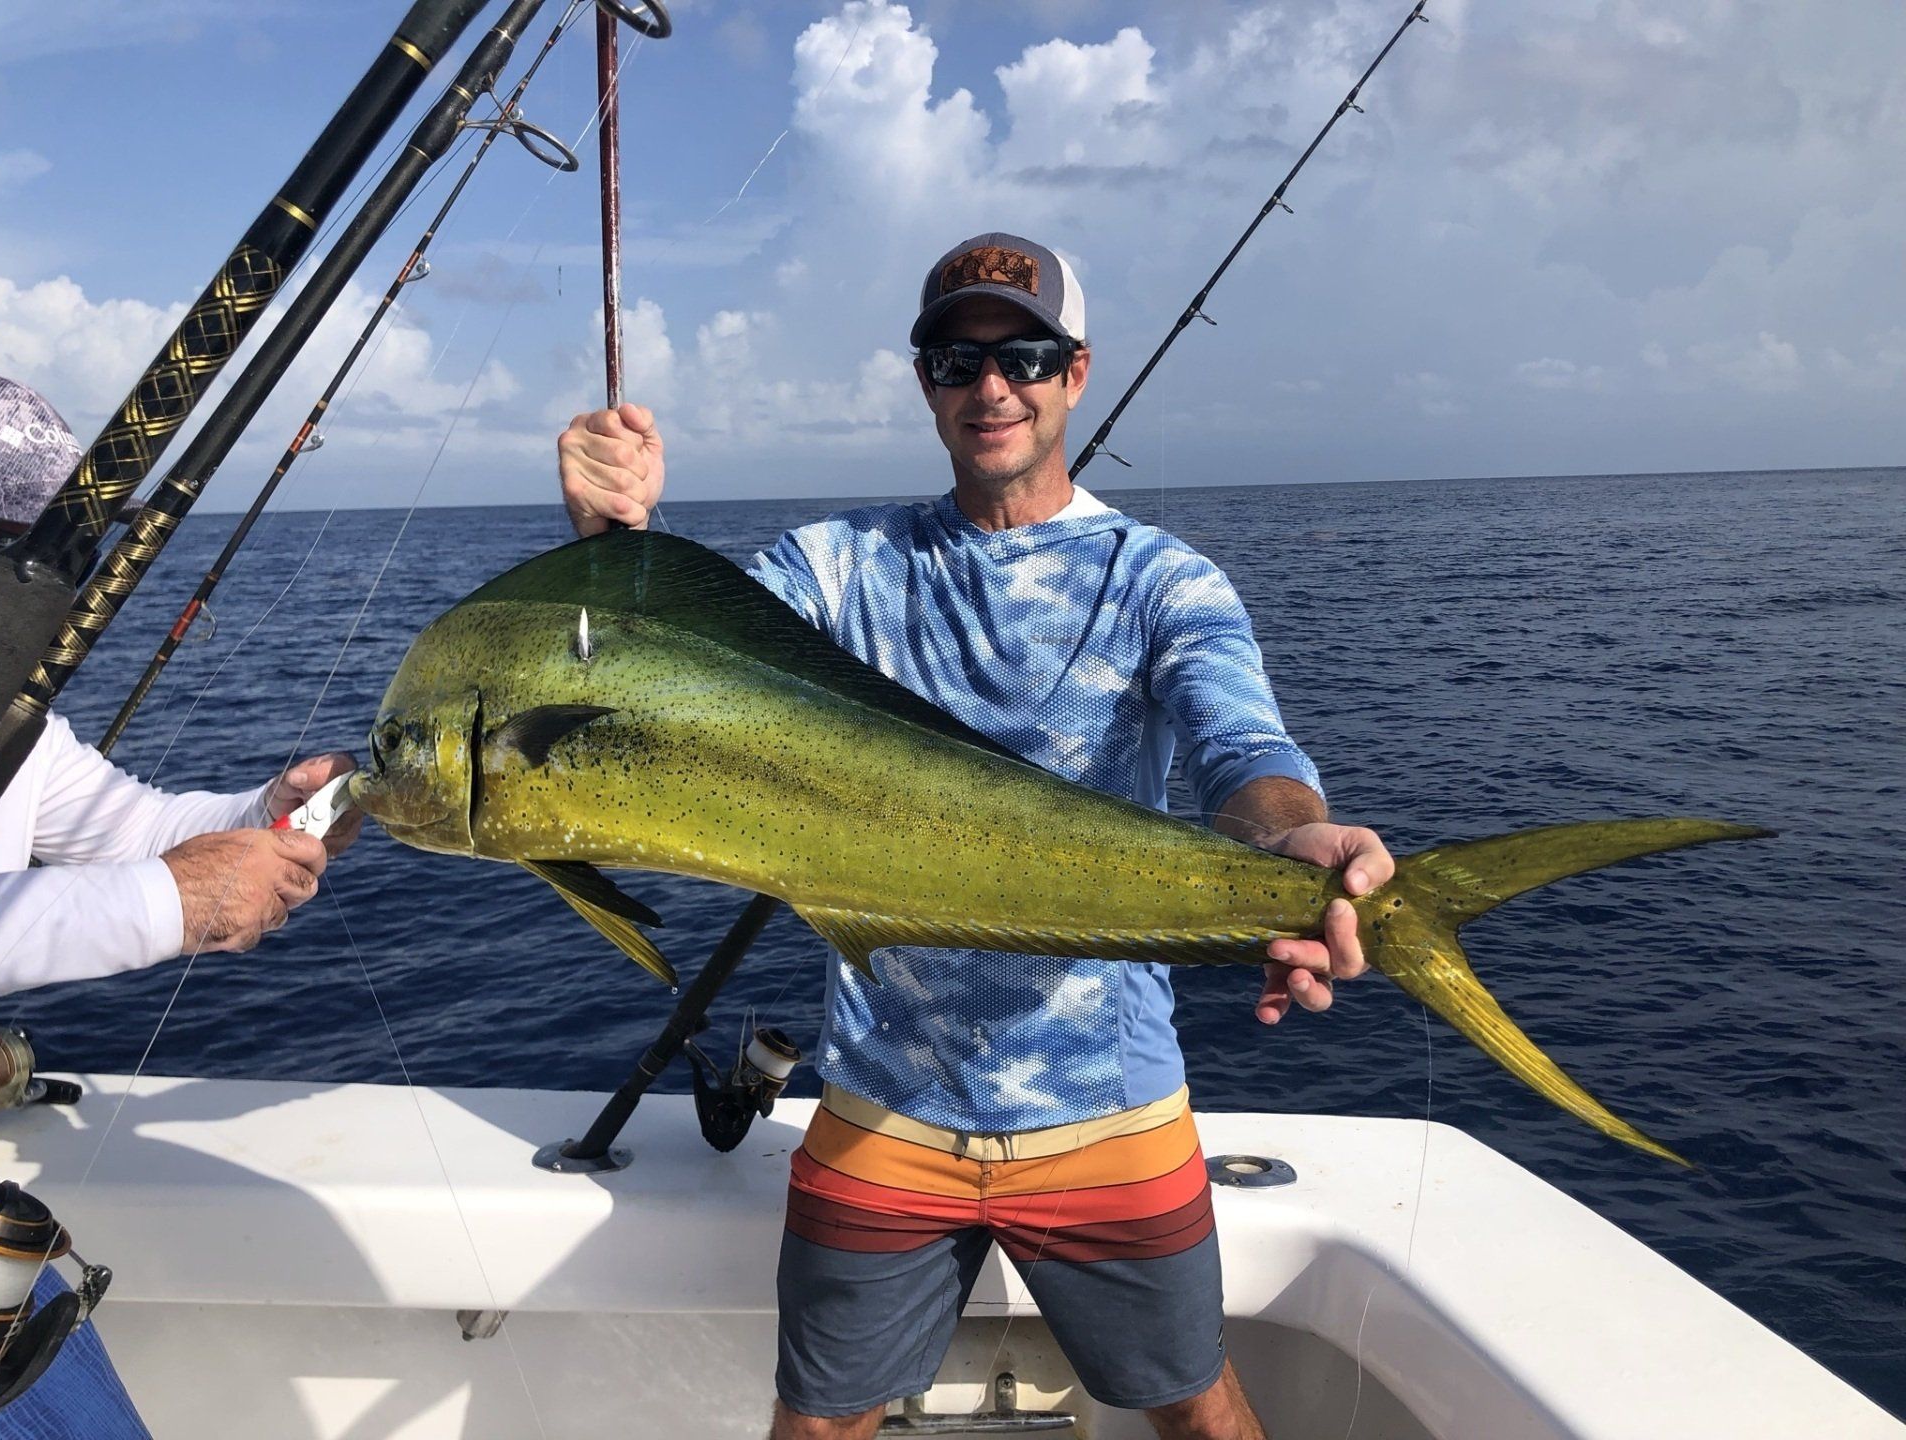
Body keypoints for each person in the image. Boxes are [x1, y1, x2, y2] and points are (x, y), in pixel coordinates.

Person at [558, 233, 1394, 1440]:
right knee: (817, 1423)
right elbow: (678, 669)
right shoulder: (837, 568)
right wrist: (613, 546)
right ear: (926, 382)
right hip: (885, 1104)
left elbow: (1240, 744)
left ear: (1076, 372)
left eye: (1026, 357)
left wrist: (1293, 837)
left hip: (1109, 1112)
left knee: (1198, 1412)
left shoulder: (1163, 580)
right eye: (959, 360)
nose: (993, 386)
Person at [0, 373, 361, 1437]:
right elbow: (157, 882)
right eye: (22, 557)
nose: (53, 596)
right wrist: (173, 901)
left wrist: (275, 811)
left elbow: (134, 830)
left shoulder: (16, 719)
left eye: (67, 559)